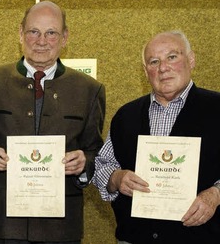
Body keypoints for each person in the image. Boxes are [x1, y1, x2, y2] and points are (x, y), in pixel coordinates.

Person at [0, 1, 106, 244]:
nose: (41, 40)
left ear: (65, 37)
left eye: (51, 33)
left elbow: (95, 151)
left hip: (60, 226)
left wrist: (84, 162)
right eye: (33, 32)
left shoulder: (89, 89)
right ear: (20, 33)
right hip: (3, 223)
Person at [93, 31, 220, 243]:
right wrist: (116, 178)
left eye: (172, 57)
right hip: (134, 238)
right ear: (145, 71)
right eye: (154, 61)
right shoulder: (126, 115)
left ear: (191, 60)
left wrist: (215, 195)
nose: (163, 68)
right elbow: (102, 164)